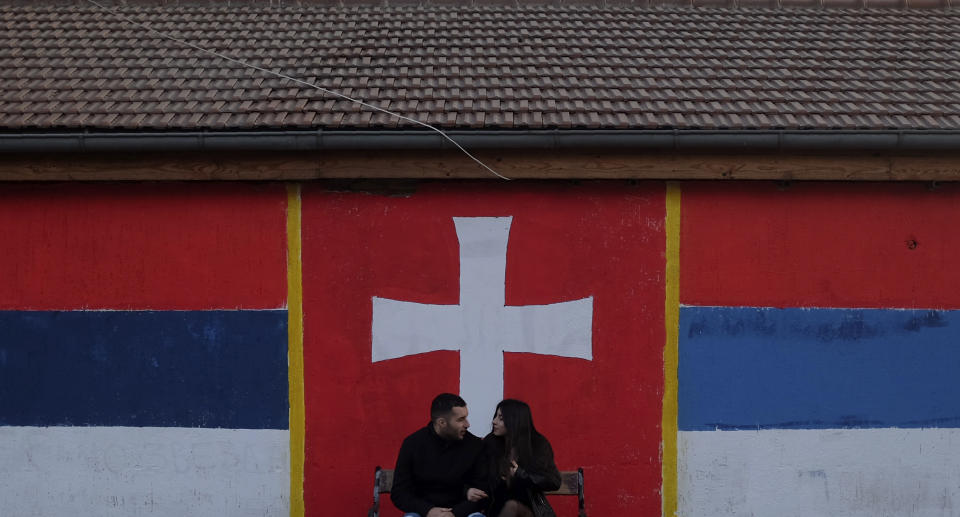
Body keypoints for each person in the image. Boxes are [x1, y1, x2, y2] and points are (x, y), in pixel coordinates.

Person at [391, 393, 489, 517]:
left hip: (462, 512)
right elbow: (399, 493)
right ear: (442, 422)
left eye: (466, 417)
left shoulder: (474, 445)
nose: (467, 424)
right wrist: (429, 511)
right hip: (423, 512)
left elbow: (483, 492)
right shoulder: (413, 444)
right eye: (460, 419)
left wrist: (454, 514)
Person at [482, 399, 562, 517]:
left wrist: (520, 474)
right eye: (495, 416)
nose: (494, 421)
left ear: (514, 421)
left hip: (527, 510)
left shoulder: (537, 444)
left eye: (501, 418)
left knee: (512, 506)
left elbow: (553, 481)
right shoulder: (491, 442)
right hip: (496, 509)